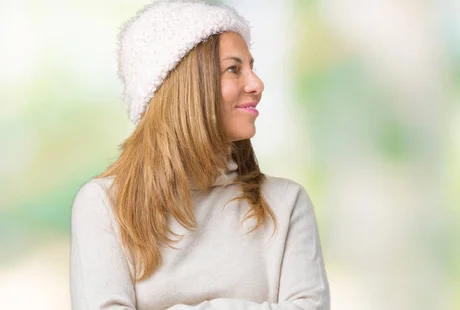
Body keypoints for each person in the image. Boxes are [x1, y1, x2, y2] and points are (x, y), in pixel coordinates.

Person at [69, 1, 330, 309]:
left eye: (252, 67)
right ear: (186, 87)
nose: (256, 84)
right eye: (234, 69)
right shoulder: (103, 205)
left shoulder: (286, 204)